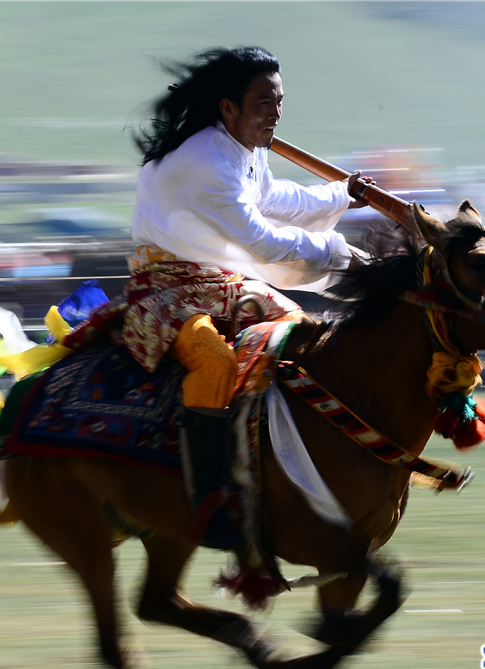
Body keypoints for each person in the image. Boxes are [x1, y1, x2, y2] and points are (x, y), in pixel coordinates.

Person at [91, 46, 374, 541]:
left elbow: (273, 199)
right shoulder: (204, 160)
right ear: (229, 108)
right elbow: (261, 238)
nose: (277, 114)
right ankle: (208, 493)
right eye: (264, 102)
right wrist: (336, 251)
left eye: (280, 101)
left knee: (302, 336)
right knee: (215, 363)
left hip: (220, 282)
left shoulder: (244, 151)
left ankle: (276, 464)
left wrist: (340, 193)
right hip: (166, 289)